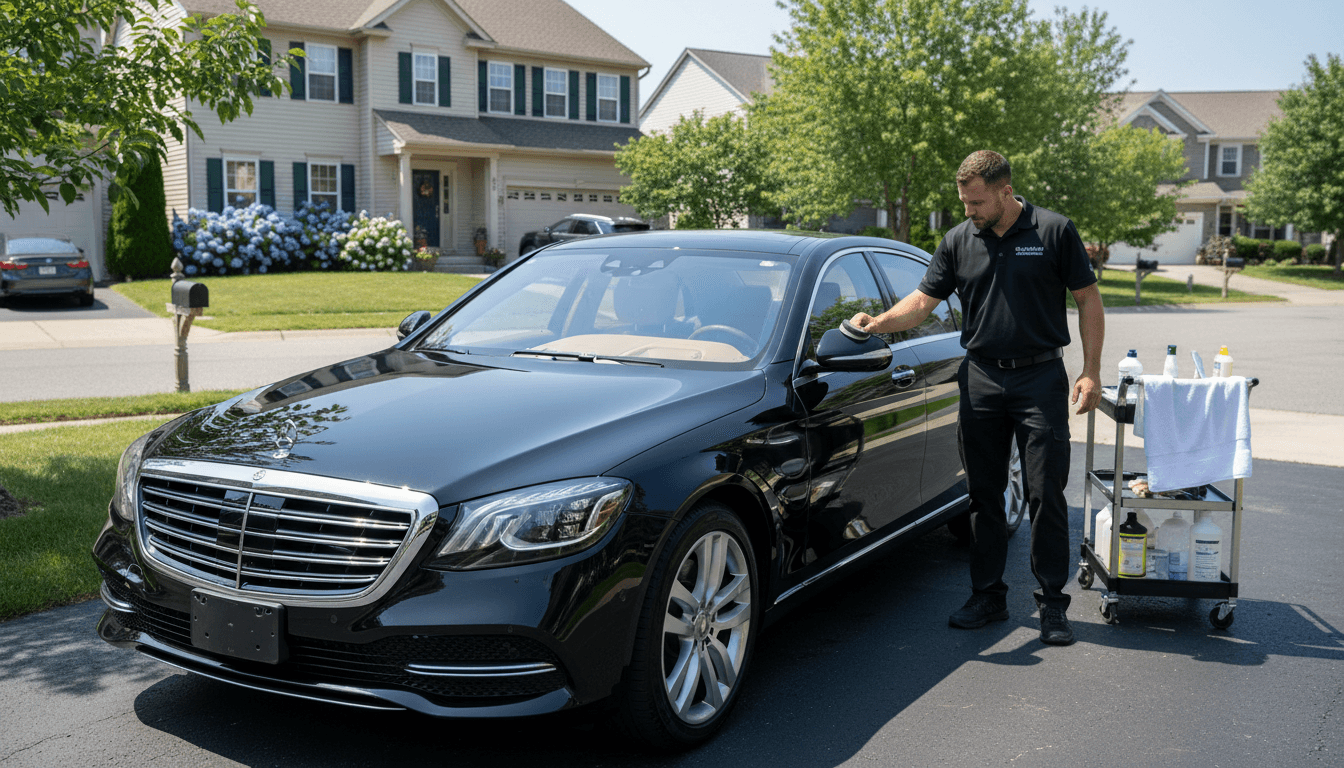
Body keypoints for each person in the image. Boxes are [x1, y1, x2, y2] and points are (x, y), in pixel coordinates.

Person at [850, 150, 1104, 646]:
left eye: (977, 201)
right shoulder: (957, 240)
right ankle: (987, 595)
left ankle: (1053, 604)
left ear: (1006, 191)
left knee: (1045, 494)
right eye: (964, 202)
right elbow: (923, 302)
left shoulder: (1053, 231)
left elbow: (1088, 299)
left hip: (1040, 379)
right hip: (982, 380)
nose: (969, 210)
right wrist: (878, 324)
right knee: (984, 496)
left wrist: (1091, 371)